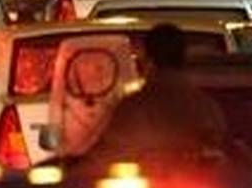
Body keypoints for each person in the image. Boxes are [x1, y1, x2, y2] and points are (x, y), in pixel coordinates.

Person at [85, 23, 227, 163]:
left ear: (148, 61)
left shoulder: (133, 108)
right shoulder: (206, 107)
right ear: (183, 60)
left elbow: (107, 154)